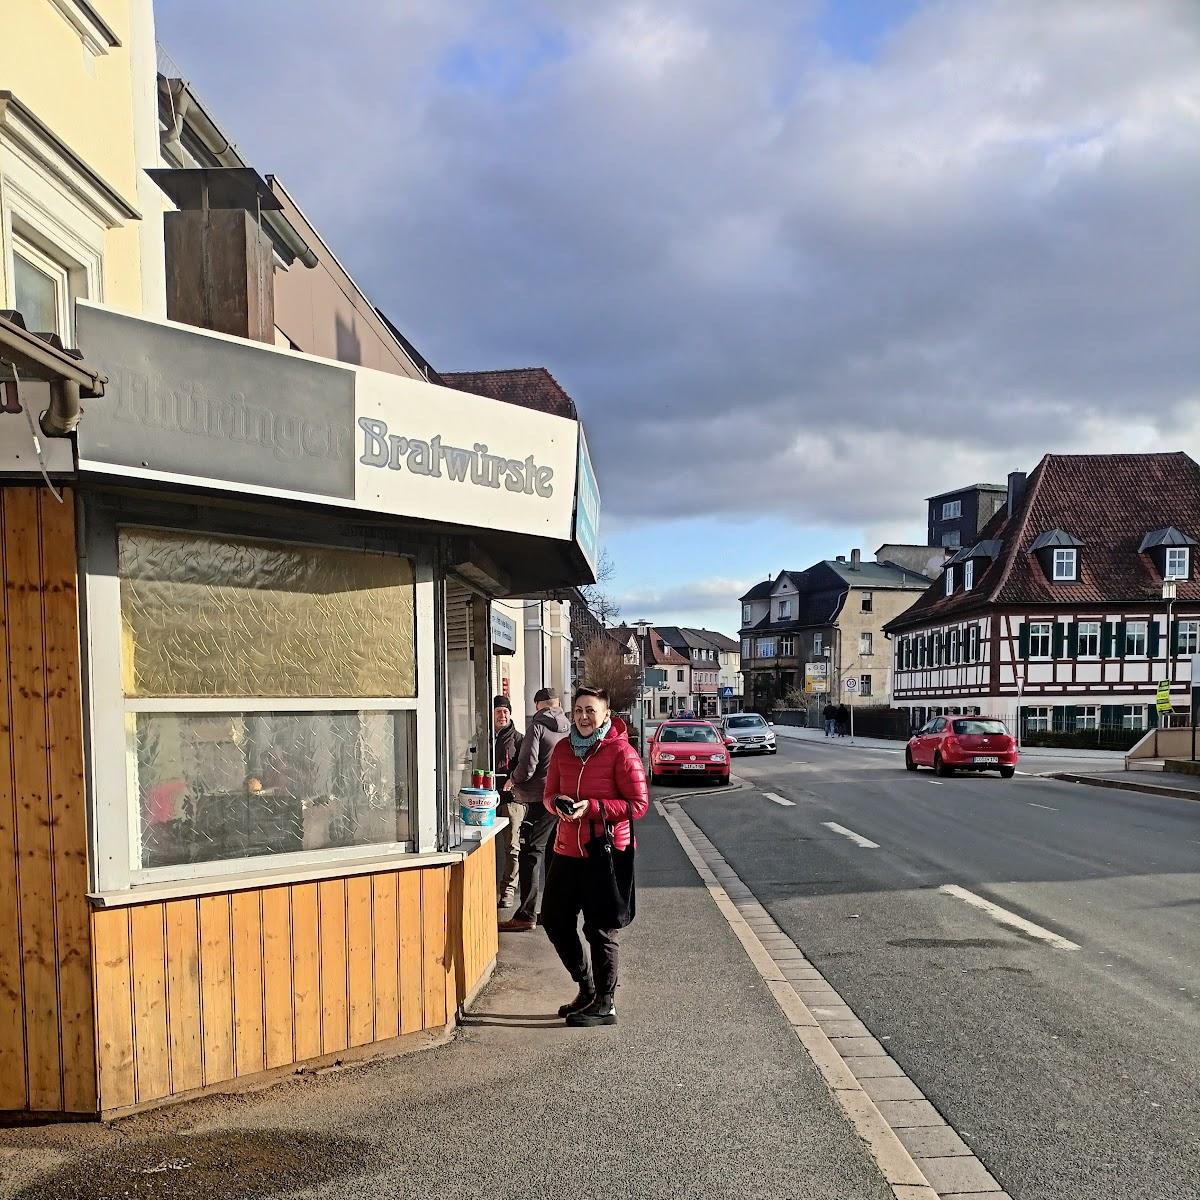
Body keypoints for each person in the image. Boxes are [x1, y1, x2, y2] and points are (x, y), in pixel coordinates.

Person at [541, 686, 648, 1027]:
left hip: (606, 850)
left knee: (600, 929)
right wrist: (556, 803)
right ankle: (586, 987)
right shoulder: (562, 750)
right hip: (567, 848)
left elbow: (639, 805)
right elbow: (548, 795)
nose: (584, 717)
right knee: (555, 920)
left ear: (605, 713)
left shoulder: (621, 752)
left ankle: (605, 1002)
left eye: (590, 710)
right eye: (578, 711)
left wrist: (594, 808)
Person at [499, 687, 570, 932]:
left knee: (530, 854)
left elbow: (527, 765)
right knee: (552, 855)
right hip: (561, 799)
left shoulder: (537, 727)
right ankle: (550, 911)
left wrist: (513, 779)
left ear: (537, 704)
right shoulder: (567, 727)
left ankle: (526, 914)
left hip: (539, 799)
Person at [493, 695, 523, 907]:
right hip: (486, 800)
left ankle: (509, 890)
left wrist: (513, 780)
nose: (502, 715)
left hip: (512, 801)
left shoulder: (520, 739)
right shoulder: (484, 737)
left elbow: (526, 768)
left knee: (511, 847)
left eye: (505, 711)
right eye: (498, 711)